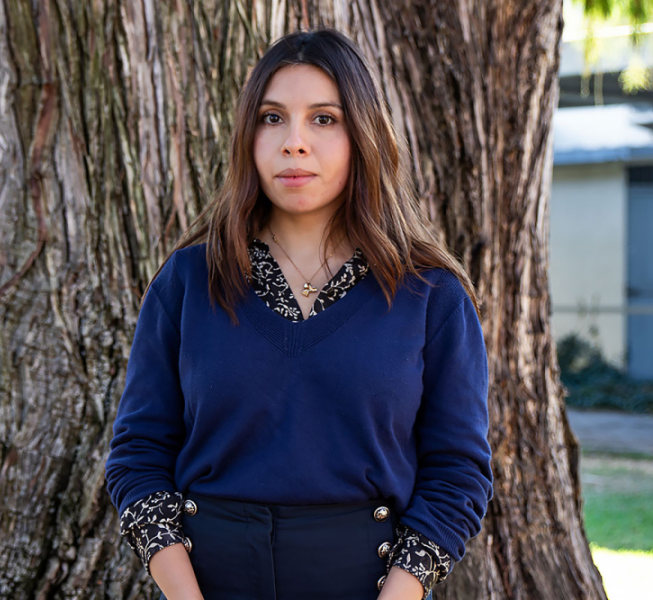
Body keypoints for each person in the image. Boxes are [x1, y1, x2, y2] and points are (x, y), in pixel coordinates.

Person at [105, 27, 493, 600]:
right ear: (248, 135)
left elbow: (458, 473)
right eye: (272, 118)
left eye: (324, 119)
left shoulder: (430, 294)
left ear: (363, 133)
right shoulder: (187, 282)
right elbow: (138, 455)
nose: (294, 143)